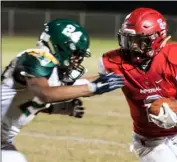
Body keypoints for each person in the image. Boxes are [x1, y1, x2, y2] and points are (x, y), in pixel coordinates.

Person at [1, 19, 124, 162]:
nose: (78, 60)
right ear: (60, 47)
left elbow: (26, 101)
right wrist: (93, 88)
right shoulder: (37, 57)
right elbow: (45, 94)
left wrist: (56, 108)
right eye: (76, 53)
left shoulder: (51, 71)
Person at [98, 8, 177, 162]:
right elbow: (92, 85)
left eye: (138, 42)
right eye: (128, 40)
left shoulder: (173, 58)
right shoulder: (115, 62)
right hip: (149, 141)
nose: (131, 47)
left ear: (157, 39)